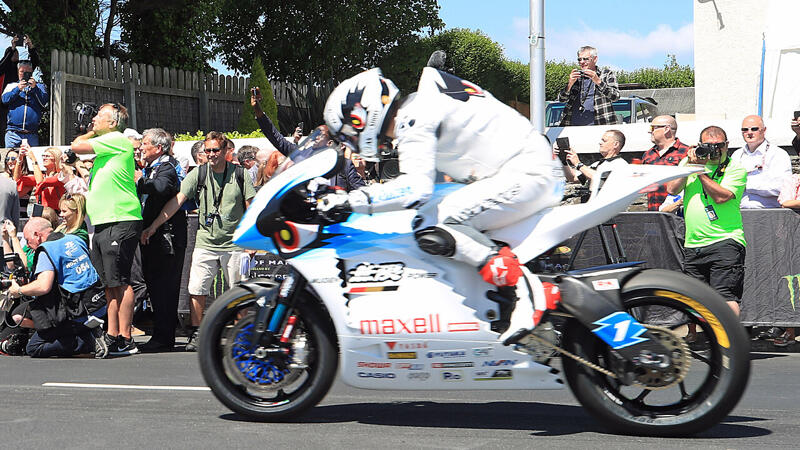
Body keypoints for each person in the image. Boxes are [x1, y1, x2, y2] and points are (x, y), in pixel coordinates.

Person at [321, 68, 561, 312]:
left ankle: (524, 293)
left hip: (527, 172)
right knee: (429, 213)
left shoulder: (413, 118)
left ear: (363, 115)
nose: (351, 141)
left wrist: (348, 201)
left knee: (436, 221)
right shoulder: (419, 106)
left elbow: (414, 189)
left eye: (349, 132)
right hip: (527, 167)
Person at [141, 131, 255, 352]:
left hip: (234, 242)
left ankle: (242, 334)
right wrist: (153, 226)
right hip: (206, 240)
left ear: (226, 151)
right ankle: (197, 332)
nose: (211, 154)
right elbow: (177, 200)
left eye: (215, 150)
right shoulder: (199, 173)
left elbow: (252, 207)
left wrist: (251, 241)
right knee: (197, 288)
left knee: (239, 290)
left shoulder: (240, 174)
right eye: (207, 150)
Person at [70, 103, 143, 357]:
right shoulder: (108, 145)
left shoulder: (115, 139)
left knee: (120, 281)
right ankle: (113, 334)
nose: (94, 120)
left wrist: (91, 131)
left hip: (120, 218)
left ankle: (126, 338)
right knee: (110, 283)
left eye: (99, 117)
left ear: (113, 123)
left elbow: (77, 145)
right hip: (105, 221)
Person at [665, 126, 747, 319]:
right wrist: (689, 165)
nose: (715, 150)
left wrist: (700, 171)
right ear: (700, 145)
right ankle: (704, 334)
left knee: (725, 296)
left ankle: (729, 337)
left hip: (725, 240)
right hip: (693, 243)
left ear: (727, 145)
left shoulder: (736, 168)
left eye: (719, 145)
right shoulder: (689, 162)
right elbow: (672, 189)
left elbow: (721, 197)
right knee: (696, 299)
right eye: (709, 146)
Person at [6, 218, 107, 358]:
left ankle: (87, 341)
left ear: (37, 235)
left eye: (28, 240)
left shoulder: (47, 249)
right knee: (20, 315)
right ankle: (83, 332)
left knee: (33, 348)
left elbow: (43, 286)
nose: (28, 245)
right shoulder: (74, 239)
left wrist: (18, 291)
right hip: (98, 303)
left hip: (76, 311)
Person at [135, 128, 187, 352]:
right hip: (153, 236)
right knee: (155, 285)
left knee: (164, 286)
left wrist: (140, 181)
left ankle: (164, 338)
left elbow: (161, 187)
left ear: (158, 148)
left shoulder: (167, 167)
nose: (141, 147)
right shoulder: (151, 167)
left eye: (145, 143)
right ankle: (161, 334)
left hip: (167, 238)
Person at [730, 115, 791, 209]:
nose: (749, 133)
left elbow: (782, 187)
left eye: (754, 129)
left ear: (764, 130)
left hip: (769, 211)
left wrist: (746, 184)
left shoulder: (778, 154)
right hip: (738, 211)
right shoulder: (737, 155)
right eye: (745, 129)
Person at [557, 46, 620, 126]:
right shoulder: (576, 77)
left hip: (600, 126)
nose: (582, 62)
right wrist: (570, 84)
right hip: (572, 127)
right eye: (579, 59)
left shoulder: (606, 74)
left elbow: (615, 97)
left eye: (586, 59)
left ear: (595, 59)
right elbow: (561, 99)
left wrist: (598, 81)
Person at [641, 115, 690, 211]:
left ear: (666, 129)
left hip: (678, 213)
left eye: (653, 128)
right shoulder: (648, 154)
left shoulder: (686, 152)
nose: (650, 131)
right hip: (653, 212)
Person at [2, 61, 48, 147]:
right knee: (11, 155)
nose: (24, 74)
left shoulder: (39, 86)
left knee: (31, 156)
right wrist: (18, 89)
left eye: (27, 72)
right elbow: (5, 100)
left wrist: (34, 88)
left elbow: (44, 103)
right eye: (22, 71)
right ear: (18, 72)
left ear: (31, 73)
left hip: (31, 134)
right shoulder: (11, 86)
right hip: (13, 133)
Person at [559, 130, 628, 184]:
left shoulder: (620, 164)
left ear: (616, 144)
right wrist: (564, 161)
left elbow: (600, 178)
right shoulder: (597, 164)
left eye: (604, 141)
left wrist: (578, 164)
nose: (600, 143)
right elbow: (573, 178)